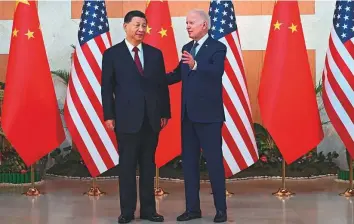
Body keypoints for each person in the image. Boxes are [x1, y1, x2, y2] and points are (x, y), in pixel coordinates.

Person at [101, 10, 171, 224]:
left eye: (144, 26)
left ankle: (149, 211)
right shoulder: (112, 54)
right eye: (136, 25)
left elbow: (161, 87)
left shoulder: (154, 54)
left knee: (148, 166)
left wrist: (165, 113)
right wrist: (109, 115)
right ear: (125, 26)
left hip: (151, 119)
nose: (141, 29)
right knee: (127, 167)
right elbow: (107, 88)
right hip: (125, 119)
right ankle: (127, 211)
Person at [166, 9, 227, 223]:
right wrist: (153, 78)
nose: (188, 26)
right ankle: (192, 209)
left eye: (192, 23)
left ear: (204, 25)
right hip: (188, 117)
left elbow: (216, 71)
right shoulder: (186, 48)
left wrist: (196, 65)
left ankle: (221, 210)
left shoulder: (218, 48)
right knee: (190, 165)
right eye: (186, 23)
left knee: (214, 164)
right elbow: (177, 74)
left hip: (209, 117)